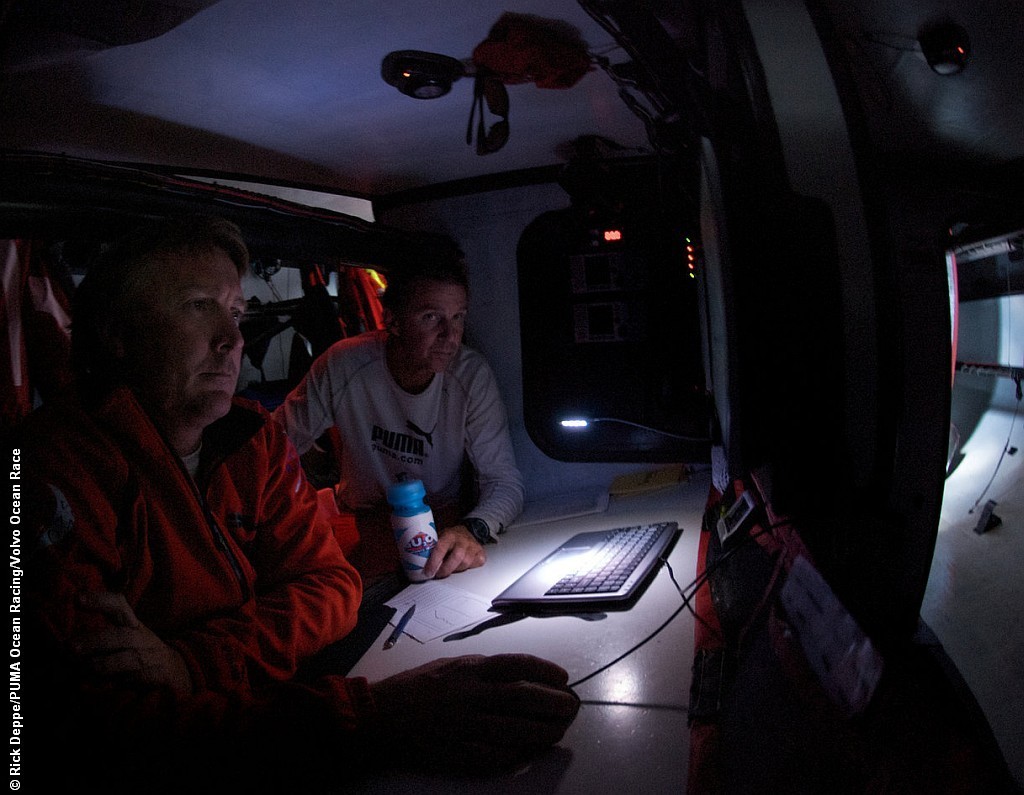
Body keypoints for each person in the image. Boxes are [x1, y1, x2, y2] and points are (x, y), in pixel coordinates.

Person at [20, 215, 578, 792]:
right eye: (196, 306)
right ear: (118, 332)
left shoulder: (249, 440)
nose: (233, 338)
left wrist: (194, 663)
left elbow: (332, 586)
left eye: (235, 313)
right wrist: (369, 718)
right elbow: (92, 737)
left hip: (263, 709)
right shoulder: (49, 474)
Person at [273, 251, 524, 581]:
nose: (451, 336)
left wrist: (471, 530)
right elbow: (273, 445)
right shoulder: (345, 365)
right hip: (363, 520)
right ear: (392, 321)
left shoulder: (471, 377)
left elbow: (504, 483)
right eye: (432, 318)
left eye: (459, 317)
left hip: (441, 525)